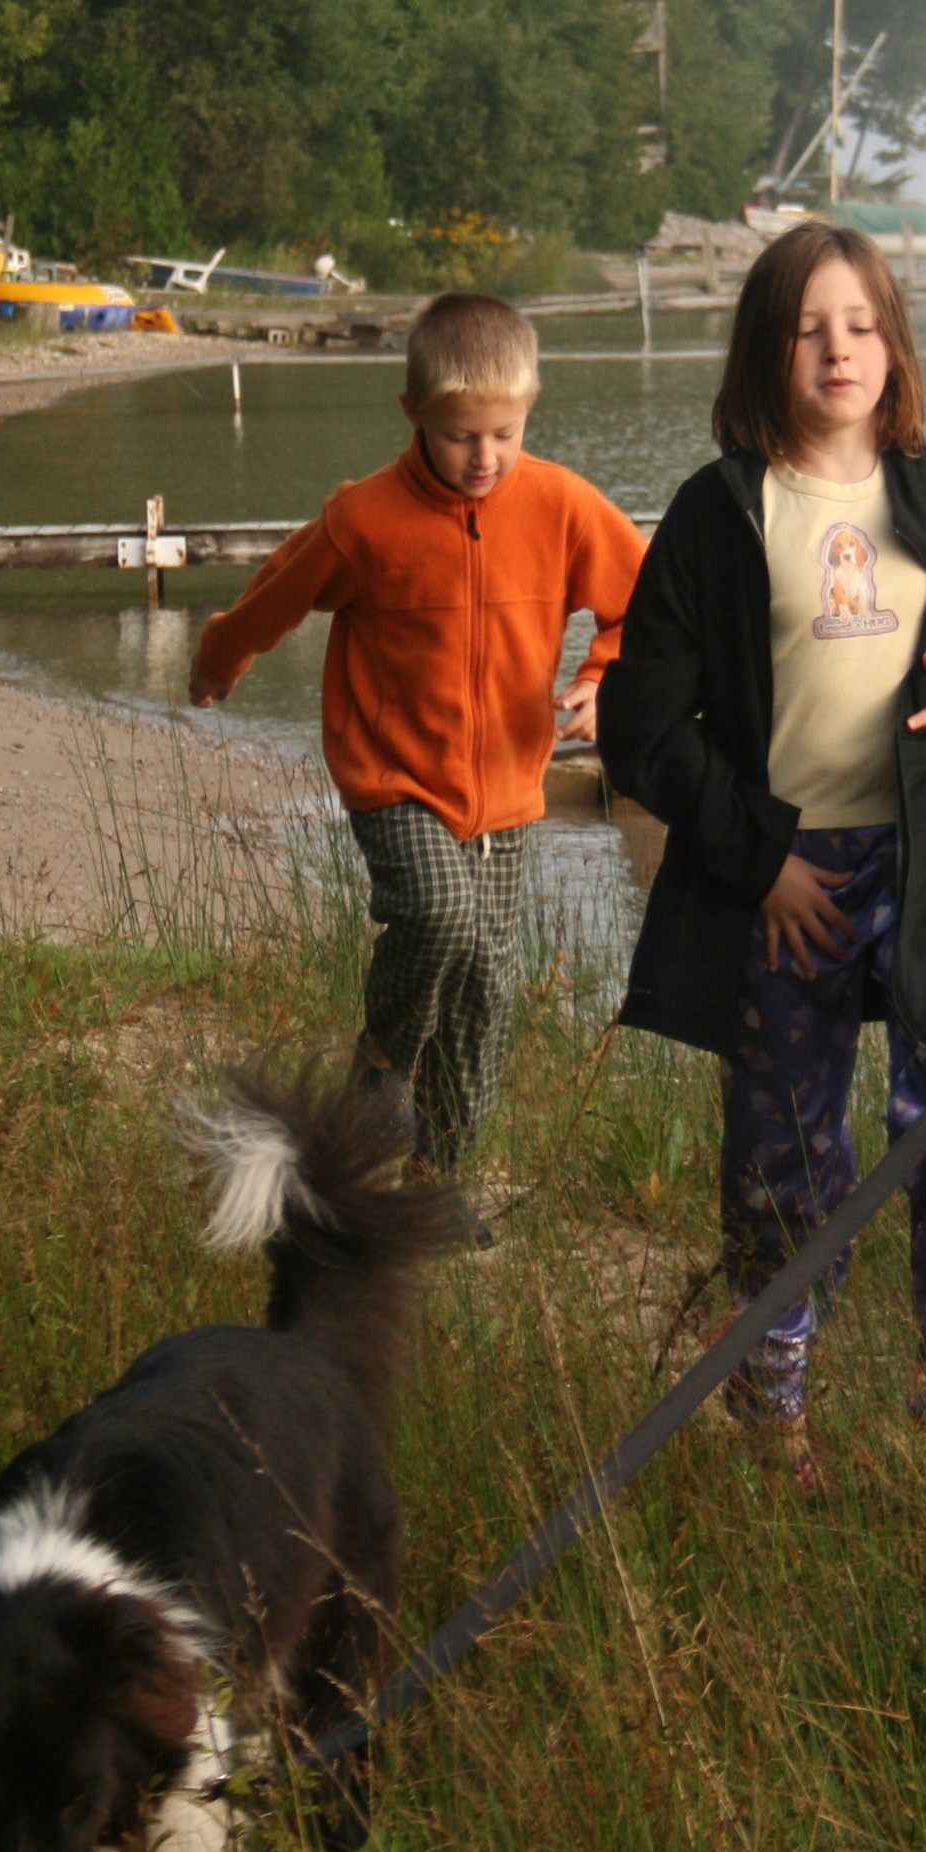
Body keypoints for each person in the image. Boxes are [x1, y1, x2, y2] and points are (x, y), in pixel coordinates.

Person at [599, 222, 926, 1484]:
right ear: (763, 352)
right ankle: (774, 1395)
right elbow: (641, 726)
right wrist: (754, 861)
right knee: (787, 1152)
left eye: (862, 325)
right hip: (790, 880)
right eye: (807, 328)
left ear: (895, 345)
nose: (838, 349)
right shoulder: (720, 512)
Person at [188, 293, 645, 1213]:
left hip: (509, 788)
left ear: (529, 411)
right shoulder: (366, 519)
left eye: (505, 434)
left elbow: (646, 601)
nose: (485, 458)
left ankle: (440, 1181)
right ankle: (386, 1055)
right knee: (439, 917)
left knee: (485, 988)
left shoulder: (560, 506)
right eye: (460, 436)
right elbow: (279, 591)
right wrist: (220, 659)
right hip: (393, 778)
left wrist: (604, 677)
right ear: (413, 415)